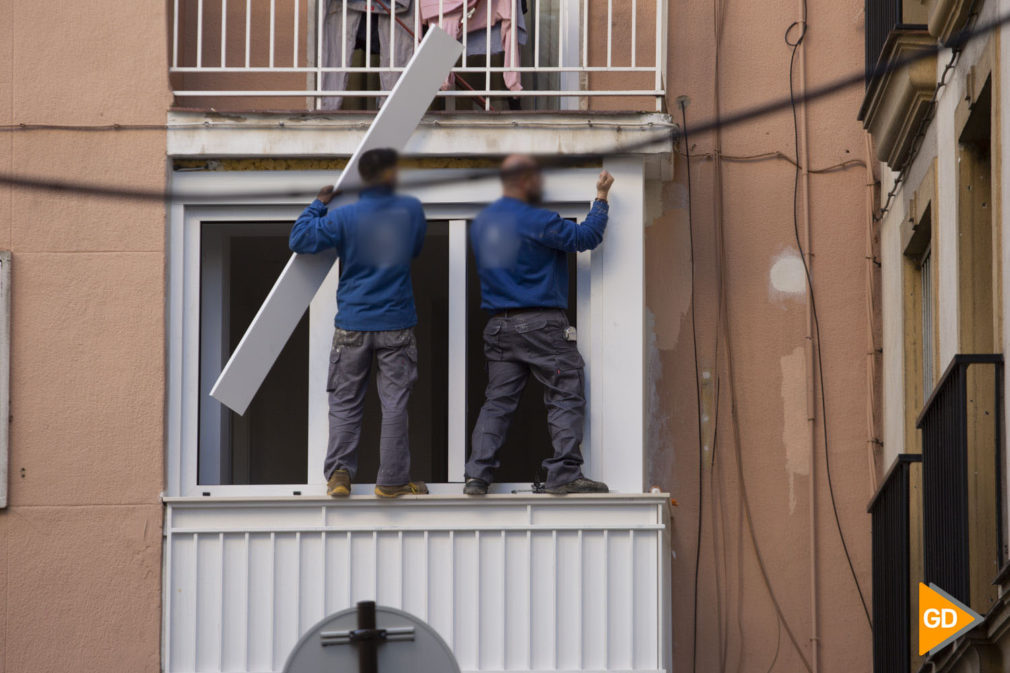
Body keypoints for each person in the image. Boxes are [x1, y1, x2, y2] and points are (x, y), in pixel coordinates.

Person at [464, 155, 614, 496]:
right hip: (541, 323)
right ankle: (563, 474)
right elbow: (585, 237)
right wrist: (601, 198)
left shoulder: (484, 223)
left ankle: (477, 475)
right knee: (565, 391)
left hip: (498, 327)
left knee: (497, 402)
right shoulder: (536, 219)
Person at [289, 148, 429, 499]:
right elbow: (414, 249)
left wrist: (319, 203)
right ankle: (392, 481)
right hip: (396, 322)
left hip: (352, 322)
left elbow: (299, 239)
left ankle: (339, 477)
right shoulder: (410, 209)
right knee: (394, 402)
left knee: (346, 402)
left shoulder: (345, 217)